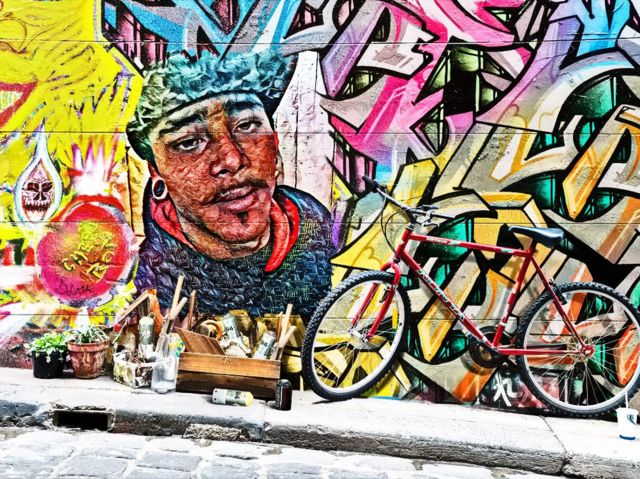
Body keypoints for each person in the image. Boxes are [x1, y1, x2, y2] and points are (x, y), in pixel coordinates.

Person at [127, 50, 335, 319]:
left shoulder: (316, 230)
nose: (232, 160)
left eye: (247, 126)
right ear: (156, 173)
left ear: (275, 144)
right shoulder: (149, 284)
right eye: (189, 142)